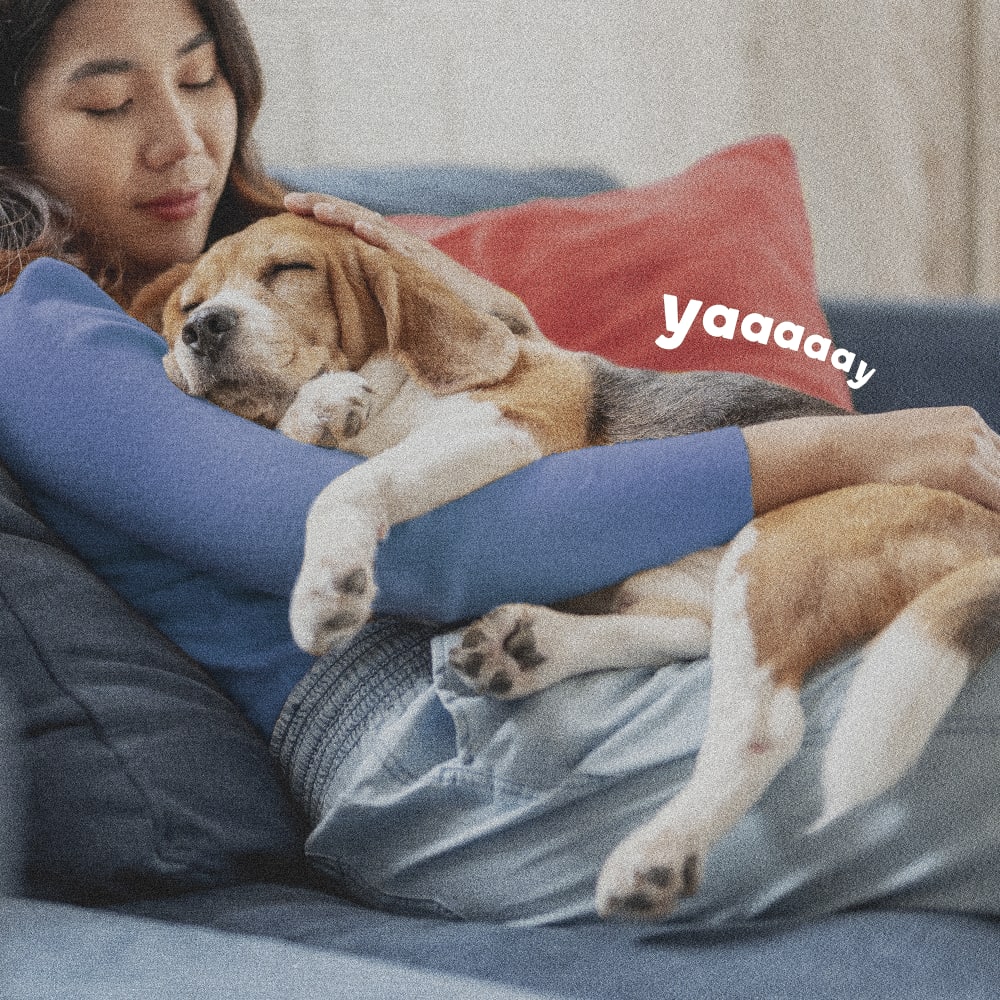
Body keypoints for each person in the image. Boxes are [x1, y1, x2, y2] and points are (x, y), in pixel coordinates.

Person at [2, 0, 1000, 925]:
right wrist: (852, 444)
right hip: (442, 736)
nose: (181, 140)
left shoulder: (308, 263)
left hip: (608, 647)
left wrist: (500, 328)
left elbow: (535, 426)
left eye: (200, 78)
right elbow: (437, 548)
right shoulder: (33, 328)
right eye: (108, 103)